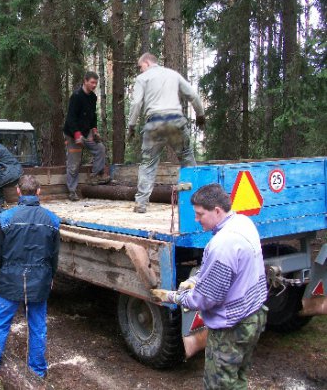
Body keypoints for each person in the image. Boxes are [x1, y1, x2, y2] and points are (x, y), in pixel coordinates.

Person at [151, 184, 268, 389]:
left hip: (232, 327)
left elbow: (204, 299)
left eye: (200, 214)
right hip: (254, 316)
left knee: (220, 384)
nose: (196, 220)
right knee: (237, 376)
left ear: (217, 210)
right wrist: (195, 280)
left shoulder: (222, 244)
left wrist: (171, 297)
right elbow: (231, 271)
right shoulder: (243, 222)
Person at [0, 175, 61, 382]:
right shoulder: (52, 219)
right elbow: (54, 254)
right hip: (40, 278)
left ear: (18, 191)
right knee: (38, 326)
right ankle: (37, 371)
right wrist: (51, 276)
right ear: (39, 191)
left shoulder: (6, 218)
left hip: (10, 277)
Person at [127, 52, 205, 213]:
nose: (140, 70)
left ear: (147, 63)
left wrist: (131, 126)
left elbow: (136, 103)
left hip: (154, 124)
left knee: (147, 164)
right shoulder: (172, 74)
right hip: (176, 121)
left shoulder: (143, 78)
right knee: (187, 157)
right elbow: (193, 95)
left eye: (140, 67)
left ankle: (141, 204)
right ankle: (198, 200)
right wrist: (200, 114)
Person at [63, 71, 109, 201]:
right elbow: (71, 118)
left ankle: (96, 176)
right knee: (74, 163)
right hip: (73, 134)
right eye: (92, 82)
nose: (94, 85)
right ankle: (72, 191)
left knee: (100, 148)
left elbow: (92, 116)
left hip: (86, 132)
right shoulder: (76, 96)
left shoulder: (93, 97)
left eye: (96, 83)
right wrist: (77, 135)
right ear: (85, 81)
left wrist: (94, 130)